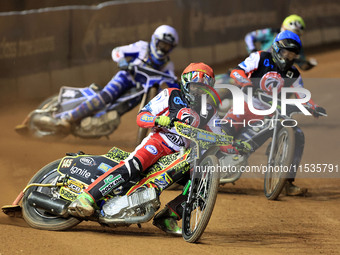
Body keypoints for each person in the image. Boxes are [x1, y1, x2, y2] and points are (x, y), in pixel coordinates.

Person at [67, 62, 232, 235]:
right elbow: (142, 117)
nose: (197, 92)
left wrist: (235, 146)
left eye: (202, 89)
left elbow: (219, 136)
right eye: (194, 87)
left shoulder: (209, 110)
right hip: (158, 142)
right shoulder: (170, 95)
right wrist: (159, 120)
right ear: (185, 84)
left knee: (202, 185)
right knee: (133, 166)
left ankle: (169, 215)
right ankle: (87, 197)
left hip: (181, 154)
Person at [223, 30, 326, 196]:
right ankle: (198, 167)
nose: (288, 57)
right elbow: (237, 71)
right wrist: (245, 82)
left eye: (292, 55)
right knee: (223, 132)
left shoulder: (294, 74)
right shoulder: (260, 57)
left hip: (269, 113)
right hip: (245, 104)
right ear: (277, 49)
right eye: (285, 52)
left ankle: (286, 182)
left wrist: (313, 107)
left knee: (297, 134)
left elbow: (301, 94)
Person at [57, 25, 179, 128]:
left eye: (167, 46)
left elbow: (172, 84)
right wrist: (122, 62)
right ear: (155, 40)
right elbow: (118, 50)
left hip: (140, 90)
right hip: (125, 77)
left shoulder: (168, 65)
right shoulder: (142, 47)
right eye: (162, 44)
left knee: (119, 112)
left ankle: (96, 123)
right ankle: (69, 117)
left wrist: (181, 88)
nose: (164, 49)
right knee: (104, 98)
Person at [244, 14, 317, 71]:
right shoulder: (271, 33)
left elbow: (302, 65)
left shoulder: (296, 46)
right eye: (290, 33)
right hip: (259, 67)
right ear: (284, 27)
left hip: (279, 75)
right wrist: (253, 52)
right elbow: (249, 37)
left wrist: (309, 64)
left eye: (296, 35)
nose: (292, 37)